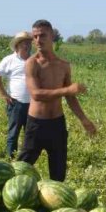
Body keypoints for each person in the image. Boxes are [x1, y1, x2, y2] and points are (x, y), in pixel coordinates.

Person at [18, 19, 97, 181]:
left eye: (42, 35)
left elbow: (70, 97)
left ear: (52, 36)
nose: (38, 40)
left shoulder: (63, 65)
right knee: (21, 168)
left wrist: (84, 119)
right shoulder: (32, 63)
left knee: (58, 172)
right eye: (35, 36)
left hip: (57, 124)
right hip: (36, 124)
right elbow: (36, 94)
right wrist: (67, 89)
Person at [0, 31, 32, 157]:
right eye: (24, 43)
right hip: (16, 103)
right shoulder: (9, 60)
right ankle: (10, 159)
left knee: (30, 134)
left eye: (29, 42)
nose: (27, 45)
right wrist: (4, 95)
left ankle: (26, 159)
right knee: (13, 133)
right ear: (17, 45)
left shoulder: (34, 59)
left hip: (32, 104)